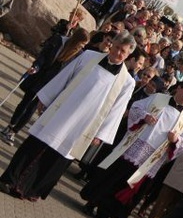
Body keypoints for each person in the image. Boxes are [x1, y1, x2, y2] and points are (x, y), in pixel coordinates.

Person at [0, 33, 137, 201]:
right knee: (33, 145)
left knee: (57, 159)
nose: (117, 53)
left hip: (83, 125)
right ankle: (9, 180)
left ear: (128, 54)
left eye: (122, 51)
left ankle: (32, 190)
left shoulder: (127, 82)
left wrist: (100, 134)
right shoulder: (88, 56)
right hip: (62, 112)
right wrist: (47, 97)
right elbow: (65, 76)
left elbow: (117, 110)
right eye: (116, 47)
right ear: (112, 44)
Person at [80, 78, 183, 218]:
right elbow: (136, 108)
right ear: (179, 88)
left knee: (127, 187)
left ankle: (106, 213)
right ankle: (92, 203)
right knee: (113, 178)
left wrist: (176, 140)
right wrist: (145, 116)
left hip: (151, 160)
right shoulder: (158, 98)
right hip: (132, 149)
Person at [1, 27, 89, 145]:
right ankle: (10, 125)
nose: (83, 46)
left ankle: (13, 131)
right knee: (25, 102)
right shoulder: (60, 41)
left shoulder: (79, 55)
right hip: (40, 75)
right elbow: (43, 55)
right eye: (82, 43)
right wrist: (36, 66)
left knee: (32, 108)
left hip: (53, 83)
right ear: (76, 40)